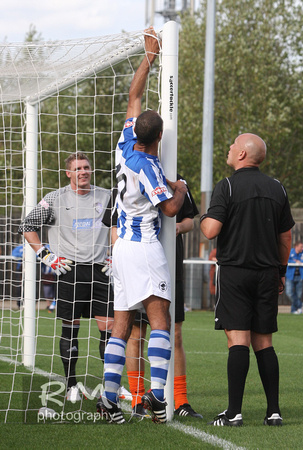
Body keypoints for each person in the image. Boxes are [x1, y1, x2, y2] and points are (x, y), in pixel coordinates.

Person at [97, 27, 188, 425]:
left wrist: (148, 57)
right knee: (159, 320)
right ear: (159, 138)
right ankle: (155, 395)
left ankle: (108, 399)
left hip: (120, 248)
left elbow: (135, 96)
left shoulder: (123, 142)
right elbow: (169, 209)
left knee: (120, 326)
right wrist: (181, 187)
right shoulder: (149, 166)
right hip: (144, 243)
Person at [200, 133, 295, 427]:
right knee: (264, 342)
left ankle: (234, 412)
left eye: (232, 146)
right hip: (268, 274)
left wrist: (203, 217)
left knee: (237, 340)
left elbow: (211, 230)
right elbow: (286, 237)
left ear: (242, 154)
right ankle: (274, 411)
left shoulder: (226, 186)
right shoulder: (277, 188)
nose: (228, 149)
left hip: (236, 273)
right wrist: (280, 271)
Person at [18, 152, 115, 402]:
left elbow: (119, 227)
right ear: (68, 173)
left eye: (86, 167)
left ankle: (110, 386)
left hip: (100, 270)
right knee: (71, 329)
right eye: (78, 168)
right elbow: (27, 227)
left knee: (109, 329)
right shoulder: (54, 199)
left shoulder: (106, 197)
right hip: (69, 271)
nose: (83, 172)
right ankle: (71, 385)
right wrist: (45, 255)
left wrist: (116, 256)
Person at [124, 175, 202, 419]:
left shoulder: (178, 183)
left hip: (170, 267)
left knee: (174, 333)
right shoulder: (128, 176)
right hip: (138, 265)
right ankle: (138, 400)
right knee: (136, 334)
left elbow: (190, 221)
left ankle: (181, 402)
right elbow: (114, 225)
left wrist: (176, 228)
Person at [285, 241, 303, 314]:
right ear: (296, 247)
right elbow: (286, 259)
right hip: (290, 276)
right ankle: (299, 305)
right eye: (301, 247)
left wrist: (300, 261)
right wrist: (295, 262)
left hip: (300, 276)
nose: (302, 248)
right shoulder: (290, 252)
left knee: (298, 294)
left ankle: (294, 311)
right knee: (289, 292)